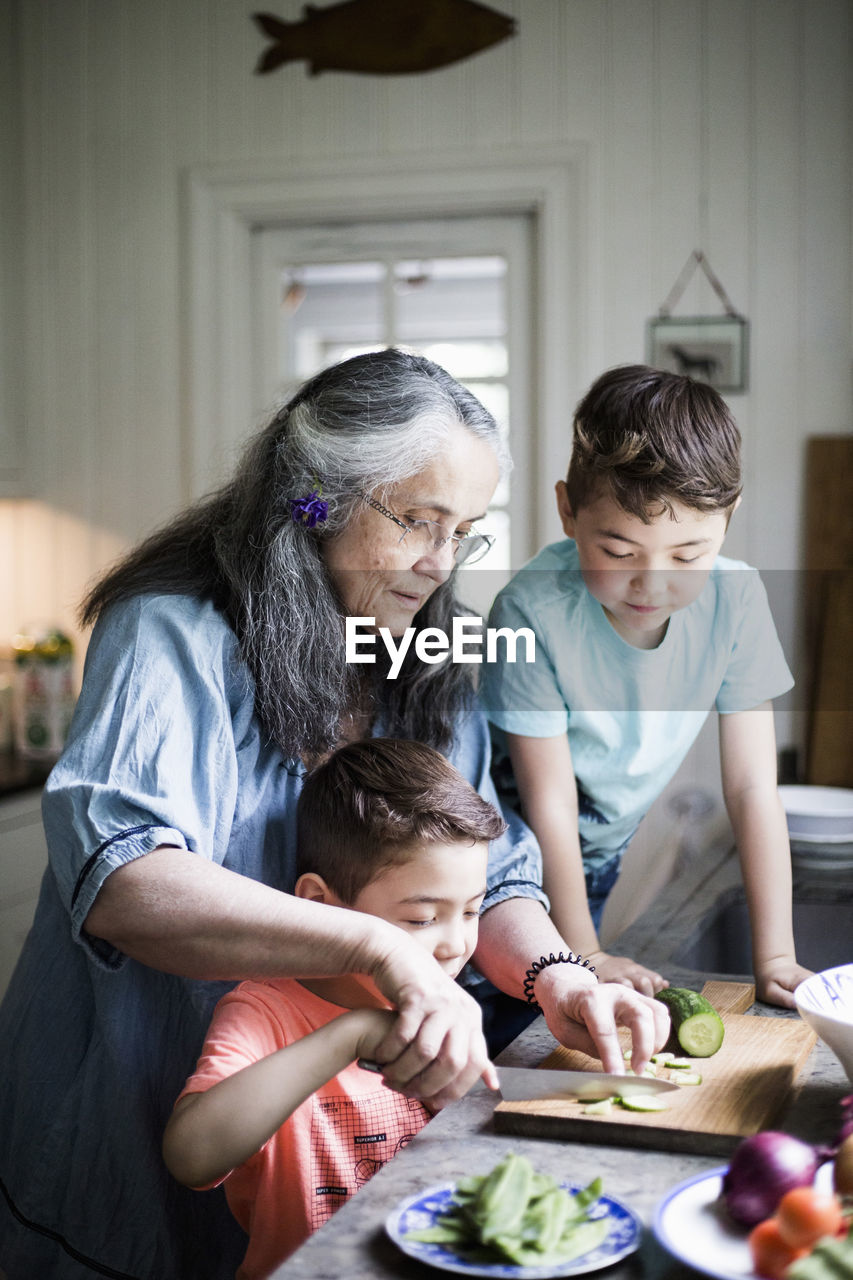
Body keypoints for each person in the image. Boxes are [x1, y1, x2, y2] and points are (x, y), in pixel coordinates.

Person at [0, 349, 667, 1280]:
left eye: (464, 532)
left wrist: (554, 974)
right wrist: (376, 948)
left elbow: (490, 865)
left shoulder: (431, 647)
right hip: (127, 1102)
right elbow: (124, 879)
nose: (440, 565)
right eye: (418, 522)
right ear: (314, 499)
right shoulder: (172, 629)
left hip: (333, 1148)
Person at [479, 363, 812, 1006]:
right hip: (509, 867)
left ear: (728, 518)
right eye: (620, 552)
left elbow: (751, 786)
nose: (653, 584)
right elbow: (550, 804)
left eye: (688, 556)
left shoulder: (736, 599)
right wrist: (587, 953)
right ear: (568, 512)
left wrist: (776, 957)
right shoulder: (532, 609)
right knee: (511, 1025)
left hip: (597, 854)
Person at [162, 737, 505, 1278]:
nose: (456, 944)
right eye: (421, 919)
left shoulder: (447, 1005)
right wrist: (353, 1035)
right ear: (320, 905)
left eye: (471, 910)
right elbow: (192, 1157)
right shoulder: (264, 1013)